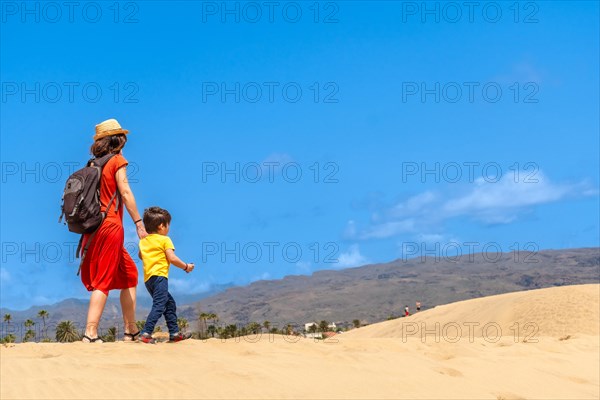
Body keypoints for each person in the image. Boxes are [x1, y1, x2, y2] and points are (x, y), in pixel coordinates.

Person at [80, 119, 148, 343]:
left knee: (129, 274)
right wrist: (138, 222)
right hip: (110, 226)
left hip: (92, 228)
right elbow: (126, 192)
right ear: (118, 139)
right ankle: (90, 333)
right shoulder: (117, 160)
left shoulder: (93, 165)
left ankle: (131, 330)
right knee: (103, 280)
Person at [138, 207, 195, 344]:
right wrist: (186, 266)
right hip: (160, 278)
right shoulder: (165, 240)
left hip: (148, 280)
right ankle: (146, 332)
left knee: (169, 303)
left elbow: (141, 256)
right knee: (159, 305)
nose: (168, 228)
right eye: (168, 225)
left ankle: (174, 333)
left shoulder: (143, 241)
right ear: (161, 226)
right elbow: (172, 258)